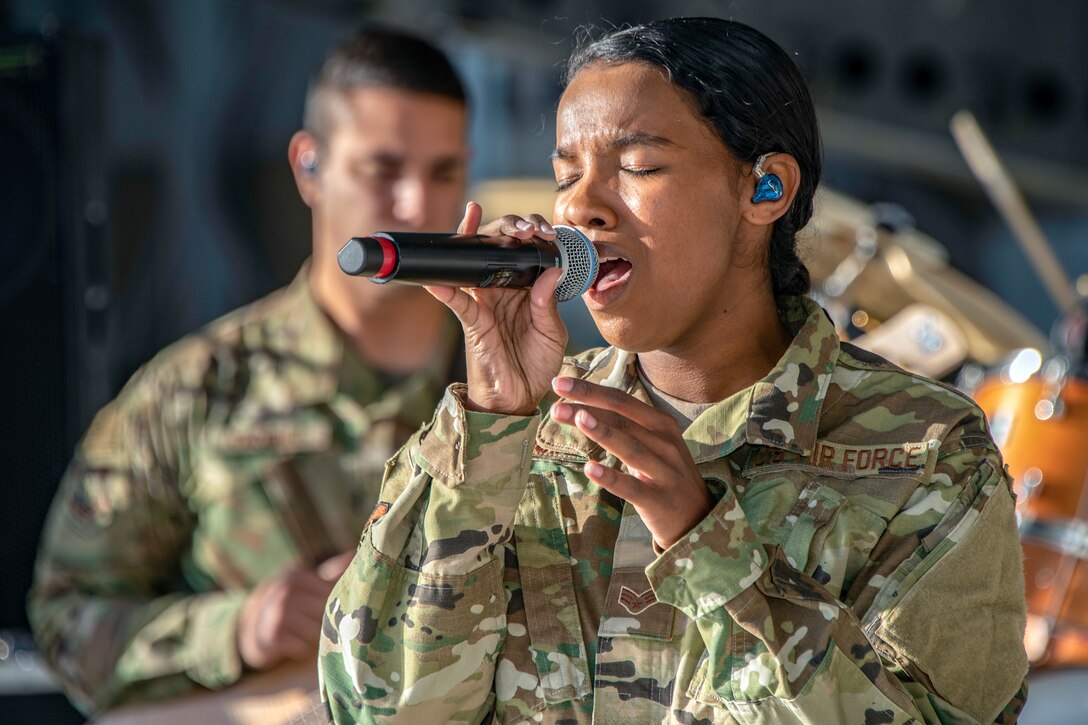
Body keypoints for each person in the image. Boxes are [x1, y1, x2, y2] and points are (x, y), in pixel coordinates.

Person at [314, 17, 1030, 725]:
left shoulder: (927, 452)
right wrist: (490, 429)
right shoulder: (514, 433)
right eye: (567, 175)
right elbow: (375, 709)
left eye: (637, 167)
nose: (579, 208)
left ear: (766, 190)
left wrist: (708, 546)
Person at [27, 26, 470, 716]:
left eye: (444, 172)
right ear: (308, 167)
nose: (417, 207)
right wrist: (237, 627)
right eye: (383, 170)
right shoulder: (199, 389)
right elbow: (65, 619)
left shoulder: (514, 387)